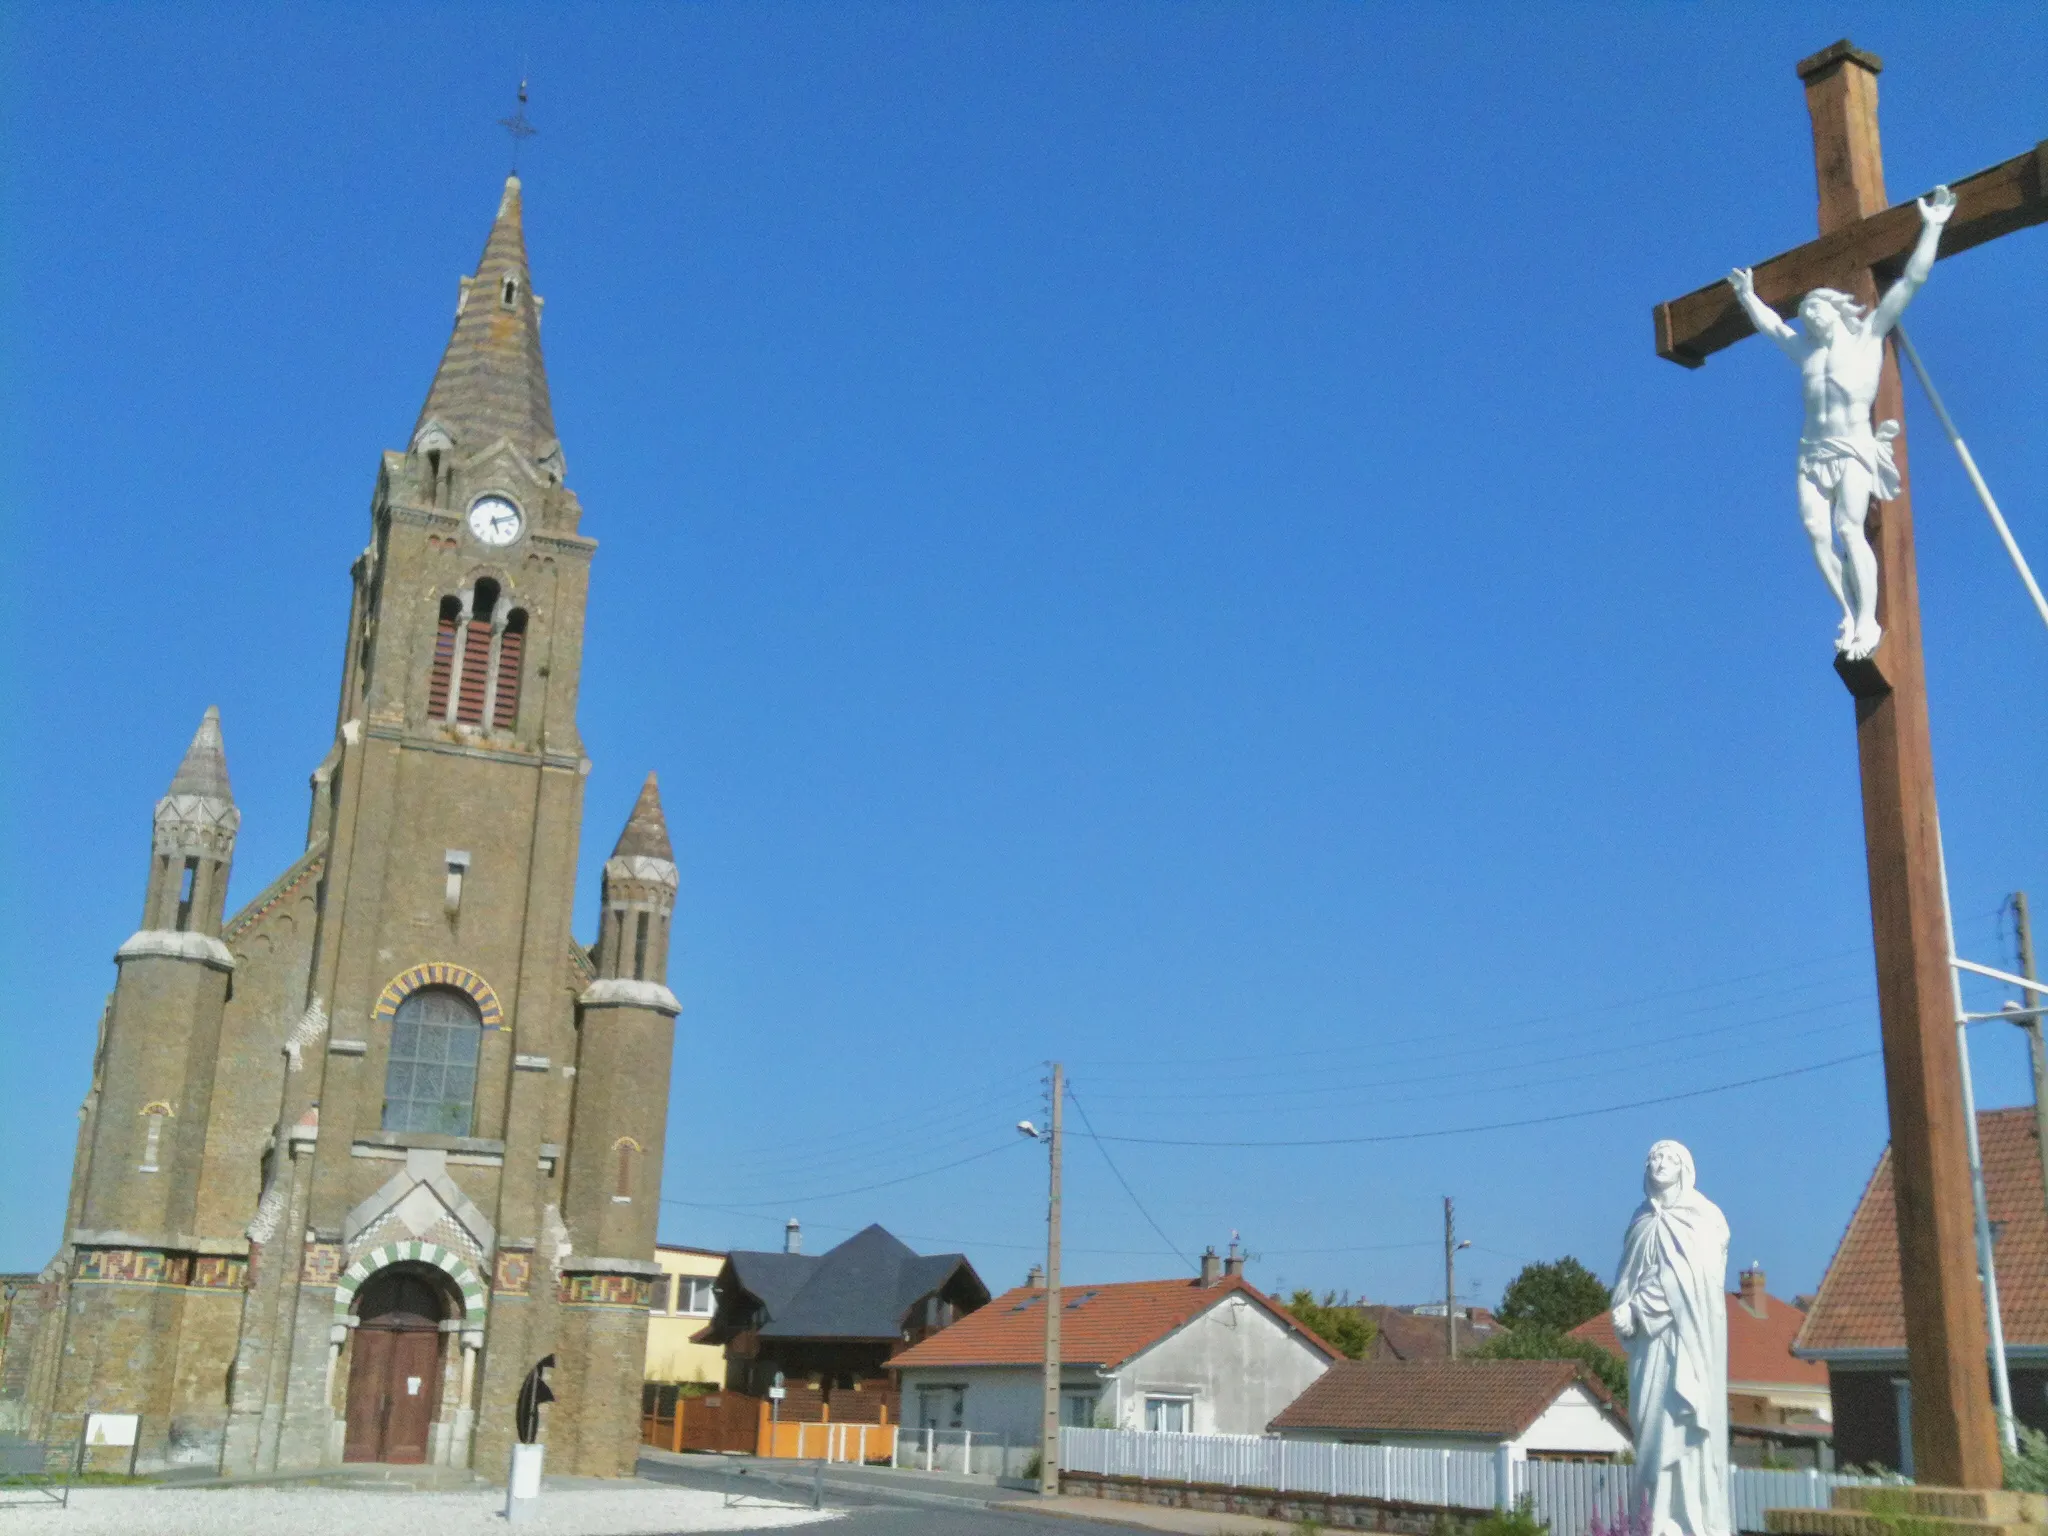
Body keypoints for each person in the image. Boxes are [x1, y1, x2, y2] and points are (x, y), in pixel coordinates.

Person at [1729, 185, 1955, 660]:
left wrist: (1932, 228)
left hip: (1851, 448)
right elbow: (1773, 327)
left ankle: (1868, 620)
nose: (1811, 319)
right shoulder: (1806, 353)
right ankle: (1849, 611)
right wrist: (1749, 297)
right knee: (1815, 534)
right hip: (1812, 452)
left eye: (1817, 310)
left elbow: (1911, 282)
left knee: (1850, 529)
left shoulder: (1869, 337)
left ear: (1835, 310)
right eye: (1806, 314)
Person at [1611, 1140, 1730, 1536]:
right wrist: (1622, 1310)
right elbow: (1626, 1276)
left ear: (1685, 1168)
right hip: (1648, 1349)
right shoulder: (1640, 1218)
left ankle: (1685, 1520)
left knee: (1679, 1429)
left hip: (1685, 1345)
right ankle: (1650, 1520)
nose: (1660, 1163)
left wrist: (1639, 1309)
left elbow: (1695, 1279)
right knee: (1648, 1429)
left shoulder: (1703, 1217)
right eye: (1653, 1158)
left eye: (1669, 1158)